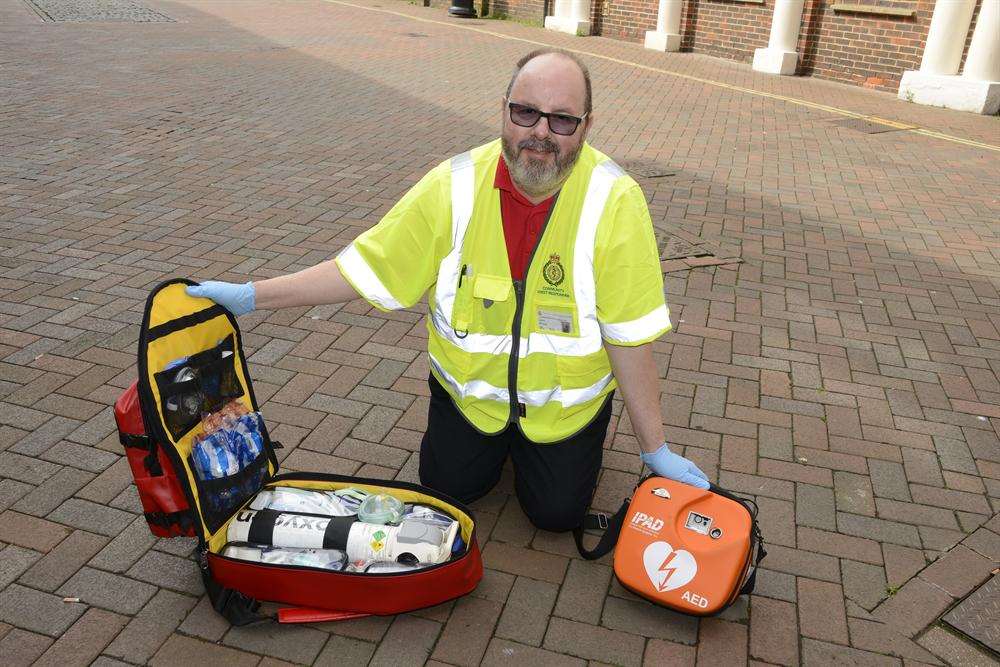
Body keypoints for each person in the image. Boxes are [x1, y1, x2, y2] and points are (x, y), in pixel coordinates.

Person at [187, 48, 709, 533]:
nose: (541, 133)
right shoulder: (453, 185)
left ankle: (569, 447)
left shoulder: (616, 201)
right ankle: (491, 448)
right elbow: (364, 269)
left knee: (556, 516)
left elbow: (629, 335)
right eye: (525, 112)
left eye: (563, 119)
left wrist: (654, 447)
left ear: (587, 126)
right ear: (503, 111)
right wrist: (253, 296)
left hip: (562, 414)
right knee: (447, 493)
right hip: (469, 402)